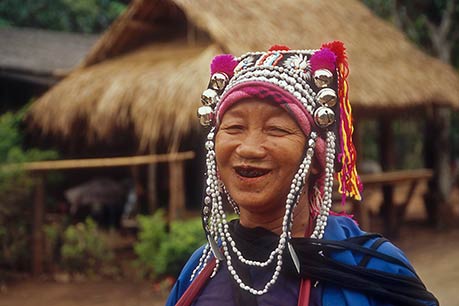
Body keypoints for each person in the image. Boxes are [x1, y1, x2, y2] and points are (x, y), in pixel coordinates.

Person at [166, 42, 438, 306]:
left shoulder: (373, 266)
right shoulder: (200, 269)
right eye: (235, 128)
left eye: (276, 130)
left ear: (317, 159)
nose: (248, 148)